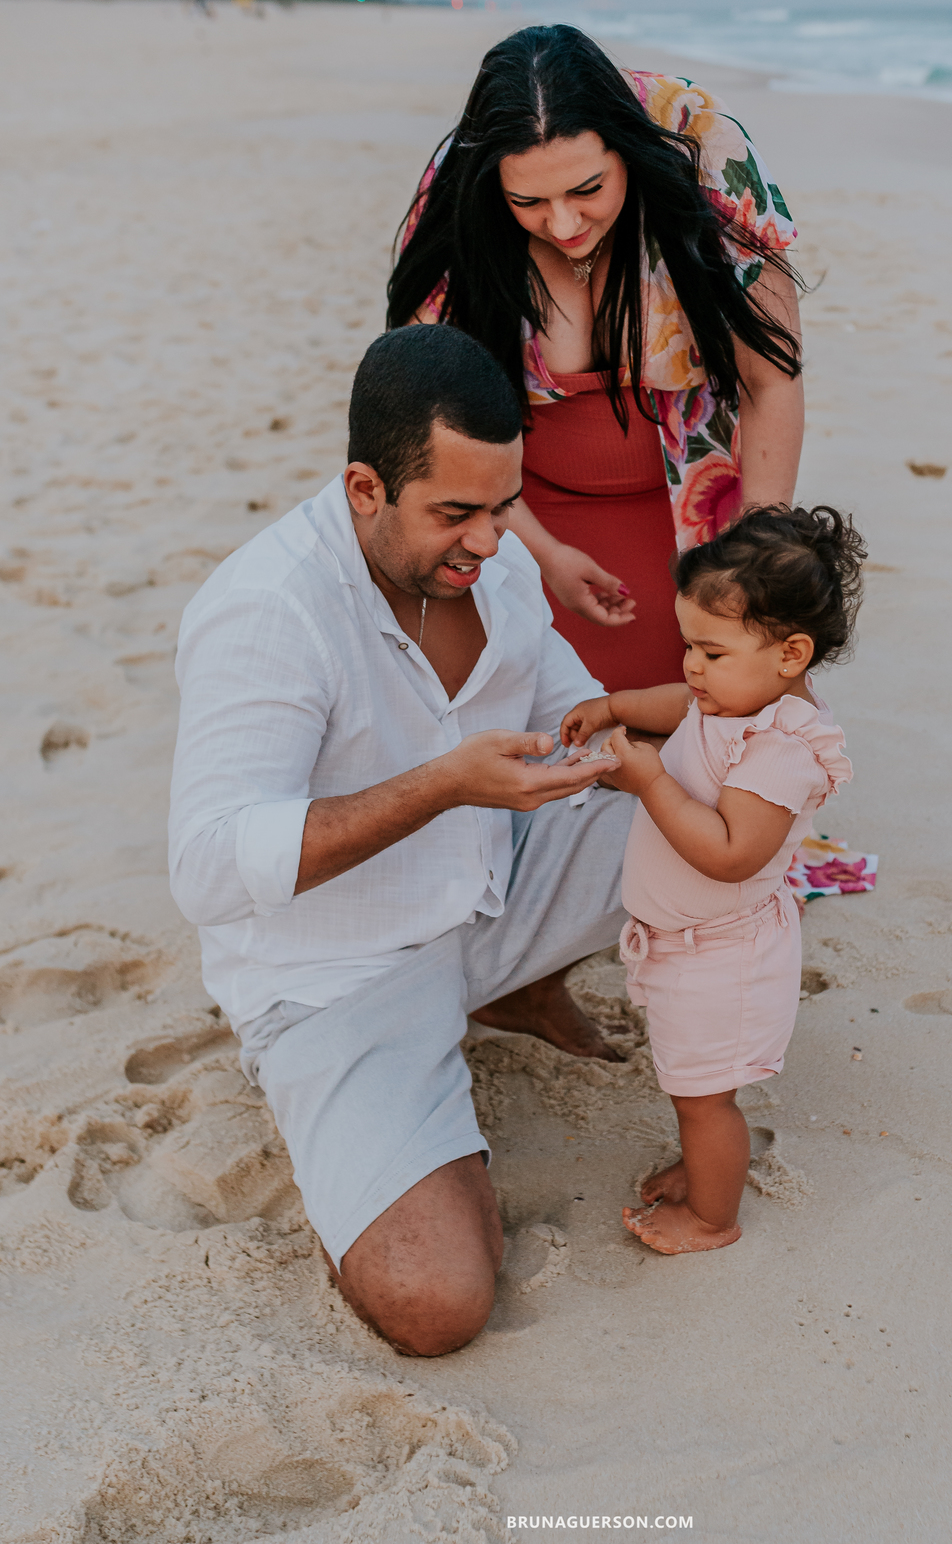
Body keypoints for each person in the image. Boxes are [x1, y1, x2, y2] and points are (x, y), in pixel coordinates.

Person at [168, 324, 634, 1357]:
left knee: (714, 804)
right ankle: (381, 1120)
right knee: (437, 1301)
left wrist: (620, 743)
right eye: (455, 513)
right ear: (365, 488)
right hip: (334, 975)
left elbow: (574, 709)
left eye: (506, 504)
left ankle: (508, 987)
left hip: (487, 891)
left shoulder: (497, 568)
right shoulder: (268, 609)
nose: (488, 541)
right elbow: (206, 864)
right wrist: (441, 785)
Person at [385, 23, 805, 691]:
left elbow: (770, 377)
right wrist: (545, 555)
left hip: (697, 521)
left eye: (587, 190)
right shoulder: (461, 194)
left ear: (629, 153)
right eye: (528, 201)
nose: (564, 224)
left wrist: (759, 549)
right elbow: (438, 419)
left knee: (739, 742)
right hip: (512, 525)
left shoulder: (706, 154)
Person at [558, 504, 864, 1255]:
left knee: (706, 1100)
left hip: (722, 955)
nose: (692, 668)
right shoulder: (732, 696)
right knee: (690, 1087)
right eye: (688, 645)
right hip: (685, 944)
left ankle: (712, 1219)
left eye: (711, 652)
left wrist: (648, 781)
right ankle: (703, 1164)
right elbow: (682, 708)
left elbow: (733, 854)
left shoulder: (782, 750)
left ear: (791, 654)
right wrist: (615, 706)